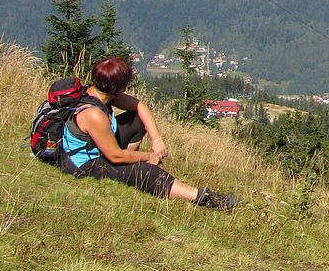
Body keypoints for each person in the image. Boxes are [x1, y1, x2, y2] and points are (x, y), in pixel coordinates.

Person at [59, 56, 236, 210]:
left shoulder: (98, 92)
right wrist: (147, 157)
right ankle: (203, 198)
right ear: (118, 86)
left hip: (100, 149)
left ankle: (129, 171)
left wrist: (157, 140)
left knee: (137, 120)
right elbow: (115, 156)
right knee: (147, 172)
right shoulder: (93, 114)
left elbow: (139, 107)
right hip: (84, 165)